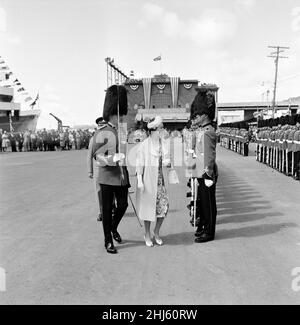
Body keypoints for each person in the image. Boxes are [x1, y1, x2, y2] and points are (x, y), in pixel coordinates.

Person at [89, 85, 130, 254]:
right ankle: (108, 240)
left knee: (123, 205)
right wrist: (113, 158)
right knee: (107, 210)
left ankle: (113, 228)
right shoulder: (103, 131)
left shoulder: (121, 131)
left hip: (120, 176)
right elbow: (97, 157)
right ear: (113, 111)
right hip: (107, 177)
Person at [187, 88, 218, 243]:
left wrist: (207, 174)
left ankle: (209, 232)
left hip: (207, 173)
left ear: (205, 114)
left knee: (209, 203)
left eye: (198, 114)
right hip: (200, 171)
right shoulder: (201, 130)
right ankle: (205, 226)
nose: (196, 117)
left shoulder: (208, 131)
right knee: (203, 202)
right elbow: (197, 154)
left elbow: (209, 156)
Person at [136, 116, 172, 247]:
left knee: (163, 208)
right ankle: (147, 234)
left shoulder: (163, 143)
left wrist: (168, 162)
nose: (162, 130)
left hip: (161, 181)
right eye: (160, 128)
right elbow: (139, 163)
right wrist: (140, 180)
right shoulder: (144, 145)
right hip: (148, 180)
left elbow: (167, 158)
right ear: (154, 130)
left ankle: (156, 232)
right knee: (148, 209)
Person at [87, 117, 107, 222]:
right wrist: (90, 171)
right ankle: (100, 212)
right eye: (100, 125)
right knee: (99, 190)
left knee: (109, 190)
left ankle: (110, 208)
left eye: (104, 124)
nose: (102, 127)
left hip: (110, 168)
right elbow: (89, 155)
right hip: (98, 168)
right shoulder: (93, 139)